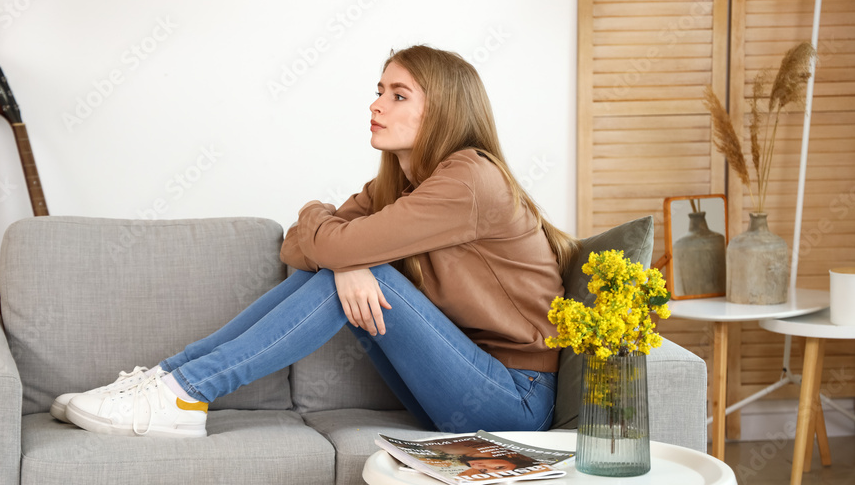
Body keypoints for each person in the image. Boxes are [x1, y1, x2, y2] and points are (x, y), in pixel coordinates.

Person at [57, 44, 577, 438]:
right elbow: (295, 246)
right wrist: (341, 253)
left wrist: (344, 252)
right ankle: (167, 380)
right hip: (451, 389)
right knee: (345, 268)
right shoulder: (397, 187)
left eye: (398, 95)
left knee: (356, 268)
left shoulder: (470, 179)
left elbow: (329, 245)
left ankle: (182, 394)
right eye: (378, 90)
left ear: (442, 111)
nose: (377, 105)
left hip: (515, 402)